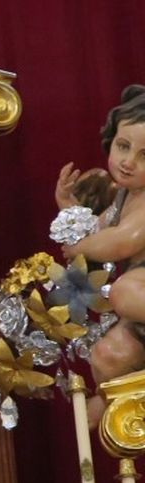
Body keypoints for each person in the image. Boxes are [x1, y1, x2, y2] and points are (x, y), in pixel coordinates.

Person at [55, 85, 145, 424]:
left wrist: (80, 247)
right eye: (123, 146)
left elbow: (122, 242)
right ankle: (111, 402)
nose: (128, 162)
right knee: (106, 355)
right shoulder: (123, 197)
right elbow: (98, 230)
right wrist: (69, 208)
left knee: (124, 291)